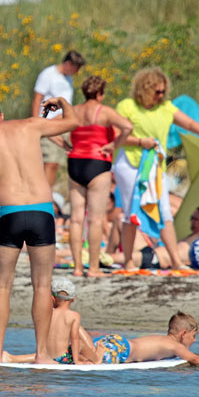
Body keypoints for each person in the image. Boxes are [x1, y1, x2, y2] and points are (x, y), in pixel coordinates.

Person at [0, 94, 78, 364]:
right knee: (42, 286)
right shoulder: (31, 125)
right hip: (42, 213)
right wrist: (62, 102)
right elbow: (73, 121)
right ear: (2, 114)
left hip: (9, 215)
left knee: (2, 286)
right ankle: (42, 354)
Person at [114, 67, 199, 272]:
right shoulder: (127, 106)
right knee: (131, 212)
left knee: (164, 210)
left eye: (164, 91)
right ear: (145, 89)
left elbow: (189, 123)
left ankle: (175, 260)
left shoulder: (165, 107)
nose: (162, 95)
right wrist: (140, 141)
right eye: (157, 91)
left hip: (155, 164)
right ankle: (128, 260)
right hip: (130, 162)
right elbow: (116, 135)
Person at [66, 75, 132, 277]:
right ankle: (93, 268)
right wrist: (114, 144)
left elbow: (50, 130)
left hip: (75, 162)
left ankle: (77, 268)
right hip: (98, 162)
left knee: (76, 219)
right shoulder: (105, 112)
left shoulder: (74, 111)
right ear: (100, 93)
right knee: (95, 220)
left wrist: (65, 146)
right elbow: (128, 127)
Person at [31, 49, 86, 189]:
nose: (77, 72)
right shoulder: (48, 74)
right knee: (49, 162)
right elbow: (37, 99)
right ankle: (44, 196)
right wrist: (36, 122)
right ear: (68, 64)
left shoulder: (68, 78)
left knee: (55, 163)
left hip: (62, 124)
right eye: (76, 68)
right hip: (49, 123)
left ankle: (48, 193)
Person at [94, 311, 199, 367]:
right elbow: (195, 358)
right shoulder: (175, 346)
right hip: (121, 351)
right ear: (183, 333)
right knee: (94, 361)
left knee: (79, 354)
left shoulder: (163, 340)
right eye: (193, 336)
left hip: (116, 341)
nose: (194, 340)